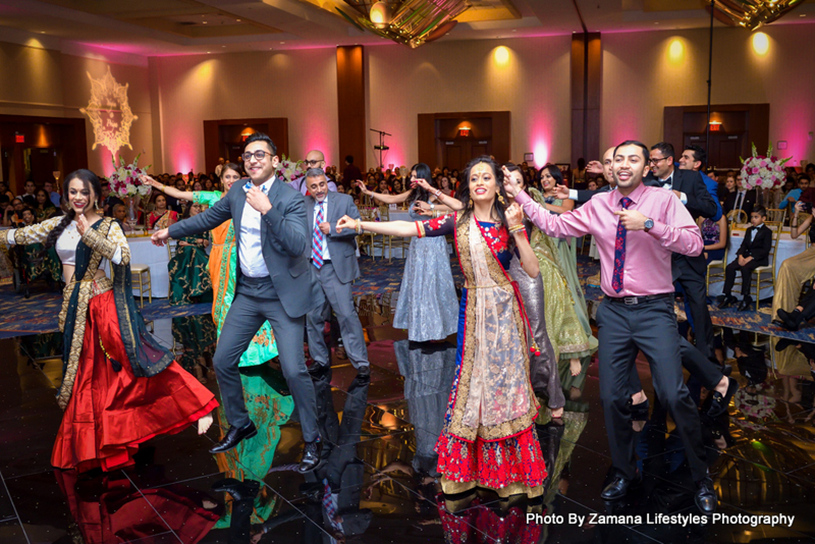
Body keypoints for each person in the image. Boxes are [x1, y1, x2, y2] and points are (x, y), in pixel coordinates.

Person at [506, 141, 716, 513]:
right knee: (610, 398)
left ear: (644, 167)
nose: (624, 165)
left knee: (673, 393)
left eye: (632, 159)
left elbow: (695, 244)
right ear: (610, 167)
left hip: (654, 310)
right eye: (618, 159)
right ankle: (623, 471)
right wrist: (520, 194)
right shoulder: (599, 204)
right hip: (614, 313)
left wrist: (649, 225)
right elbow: (555, 224)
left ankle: (701, 475)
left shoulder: (663, 202)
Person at [337, 156, 548, 499]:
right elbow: (410, 228)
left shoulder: (510, 219)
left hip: (505, 314)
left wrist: (519, 230)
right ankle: (475, 469)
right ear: (469, 187)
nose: (480, 181)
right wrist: (361, 225)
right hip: (475, 311)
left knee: (506, 384)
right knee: (473, 384)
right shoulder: (458, 221)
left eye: (486, 177)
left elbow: (532, 270)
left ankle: (514, 473)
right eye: (474, 177)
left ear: (497, 185)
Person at [1, 169, 217, 472]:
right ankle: (103, 438)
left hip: (103, 303)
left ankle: (196, 407)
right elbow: (19, 235)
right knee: (93, 376)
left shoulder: (107, 225)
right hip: (76, 306)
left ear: (95, 196)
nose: (78, 197)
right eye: (73, 192)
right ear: (65, 195)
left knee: (136, 358)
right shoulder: (59, 224)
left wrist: (89, 235)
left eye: (84, 192)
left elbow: (122, 257)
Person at [152, 133, 324, 472]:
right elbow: (207, 218)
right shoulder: (236, 192)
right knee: (223, 359)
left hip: (282, 296)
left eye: (260, 154)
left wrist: (268, 211)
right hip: (249, 293)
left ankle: (313, 439)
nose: (252, 160)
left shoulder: (290, 198)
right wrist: (170, 232)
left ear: (275, 161)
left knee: (293, 370)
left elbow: (298, 246)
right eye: (247, 155)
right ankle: (241, 422)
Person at [147, 163, 278, 368]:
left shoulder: (248, 197)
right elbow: (183, 195)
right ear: (221, 180)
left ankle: (253, 350)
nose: (231, 181)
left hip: (241, 254)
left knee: (241, 300)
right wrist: (156, 184)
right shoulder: (214, 197)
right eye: (228, 177)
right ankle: (231, 348)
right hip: (218, 255)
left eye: (235, 177)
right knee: (221, 302)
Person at [357, 164, 458, 342]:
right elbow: (391, 200)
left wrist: (432, 209)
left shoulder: (434, 194)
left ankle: (435, 326)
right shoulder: (413, 194)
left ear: (423, 178)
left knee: (431, 284)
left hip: (433, 243)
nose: (410, 180)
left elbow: (455, 208)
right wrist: (368, 193)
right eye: (410, 176)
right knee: (418, 283)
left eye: (414, 177)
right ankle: (420, 324)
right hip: (417, 245)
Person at [647, 142, 718, 359]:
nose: (651, 165)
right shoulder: (645, 182)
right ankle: (663, 353)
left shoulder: (691, 178)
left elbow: (712, 210)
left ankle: (708, 358)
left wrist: (683, 197)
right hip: (658, 255)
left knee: (698, 305)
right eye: (649, 161)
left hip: (687, 254)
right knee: (660, 305)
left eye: (655, 161)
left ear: (669, 160)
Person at [303, 168, 371, 378]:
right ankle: (320, 360)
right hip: (311, 267)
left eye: (322, 184)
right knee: (312, 316)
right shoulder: (303, 205)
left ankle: (360, 362)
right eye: (314, 186)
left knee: (346, 315)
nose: (319, 189)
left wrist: (332, 228)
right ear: (308, 188)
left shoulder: (343, 201)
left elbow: (358, 227)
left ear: (327, 183)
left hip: (335, 267)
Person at [717, 206, 772, 311]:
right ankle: (727, 294)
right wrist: (741, 256)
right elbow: (743, 245)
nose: (753, 220)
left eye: (756, 217)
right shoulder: (748, 230)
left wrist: (751, 258)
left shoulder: (767, 232)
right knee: (730, 267)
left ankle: (746, 297)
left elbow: (765, 249)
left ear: (763, 218)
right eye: (752, 217)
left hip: (758, 258)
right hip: (745, 256)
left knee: (745, 268)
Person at [168, 202, 212, 306]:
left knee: (194, 251)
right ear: (189, 208)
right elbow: (180, 239)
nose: (198, 209)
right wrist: (198, 241)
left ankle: (194, 293)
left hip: (198, 252)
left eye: (200, 206)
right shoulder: (183, 222)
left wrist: (190, 242)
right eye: (195, 206)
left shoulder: (204, 222)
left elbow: (205, 242)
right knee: (191, 251)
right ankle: (195, 293)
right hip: (183, 252)